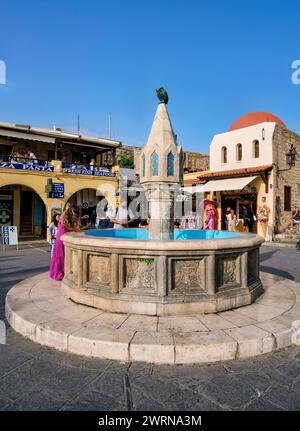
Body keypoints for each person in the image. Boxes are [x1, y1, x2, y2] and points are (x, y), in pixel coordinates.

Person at [49, 205, 81, 281]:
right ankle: (60, 274)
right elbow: (73, 229)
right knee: (62, 258)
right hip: (63, 239)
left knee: (58, 258)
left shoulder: (64, 215)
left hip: (60, 238)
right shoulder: (67, 217)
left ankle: (56, 273)